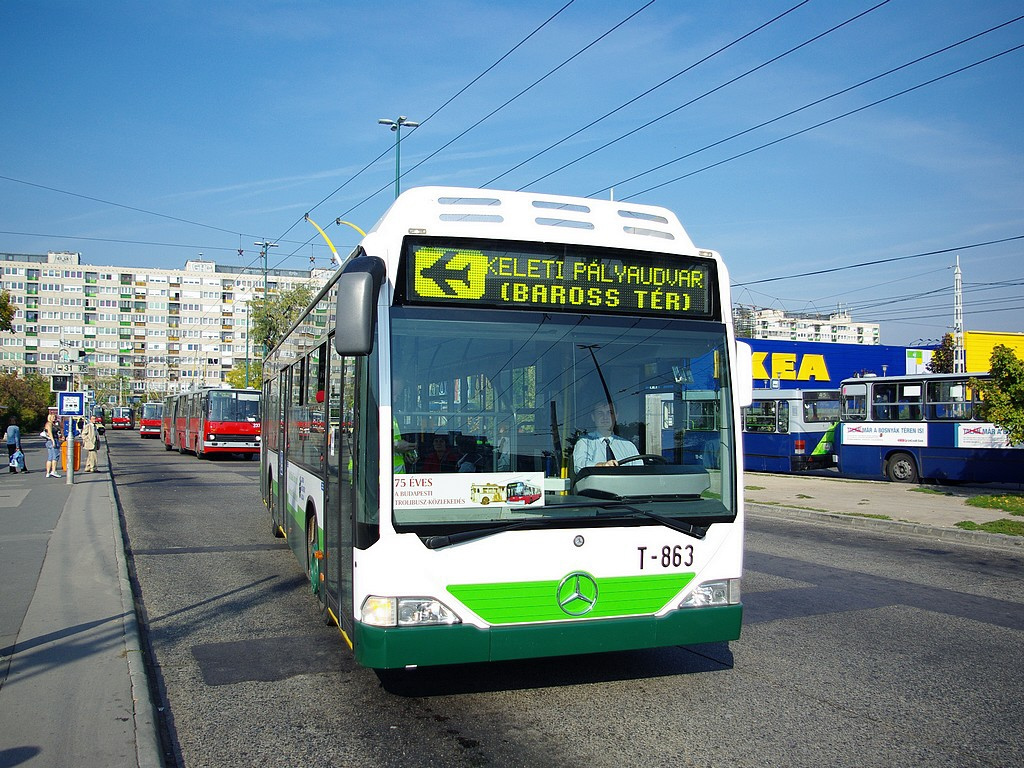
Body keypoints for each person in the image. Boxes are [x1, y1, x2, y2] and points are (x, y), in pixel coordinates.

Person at [572, 402, 639, 474]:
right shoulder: (585, 442)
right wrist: (602, 466)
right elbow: (580, 466)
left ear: (616, 416)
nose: (605, 417)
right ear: (593, 417)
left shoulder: (628, 446)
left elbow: (640, 472)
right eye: (600, 413)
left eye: (609, 412)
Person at [43, 413, 62, 478]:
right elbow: (50, 433)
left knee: (50, 457)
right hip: (53, 440)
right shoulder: (49, 424)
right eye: (53, 417)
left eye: (55, 417)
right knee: (55, 456)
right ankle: (53, 471)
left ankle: (48, 472)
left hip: (49, 441)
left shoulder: (53, 424)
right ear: (50, 417)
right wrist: (53, 441)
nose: (54, 418)